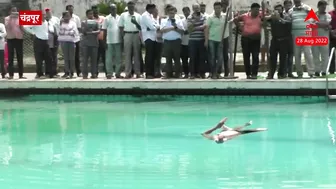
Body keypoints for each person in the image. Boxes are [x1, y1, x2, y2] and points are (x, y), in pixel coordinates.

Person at [201, 117, 267, 143]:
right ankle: (247, 124)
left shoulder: (217, 137)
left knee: (235, 129)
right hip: (229, 132)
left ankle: (247, 124)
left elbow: (204, 134)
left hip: (228, 132)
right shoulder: (223, 137)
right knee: (235, 129)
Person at [81, 9, 100, 79]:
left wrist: (91, 32)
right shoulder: (84, 22)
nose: (91, 15)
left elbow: (98, 31)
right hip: (85, 44)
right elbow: (83, 32)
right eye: (89, 14)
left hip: (94, 44)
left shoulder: (96, 22)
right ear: (87, 15)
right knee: (85, 60)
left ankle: (93, 73)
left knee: (94, 60)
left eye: (92, 14)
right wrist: (92, 32)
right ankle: (85, 74)